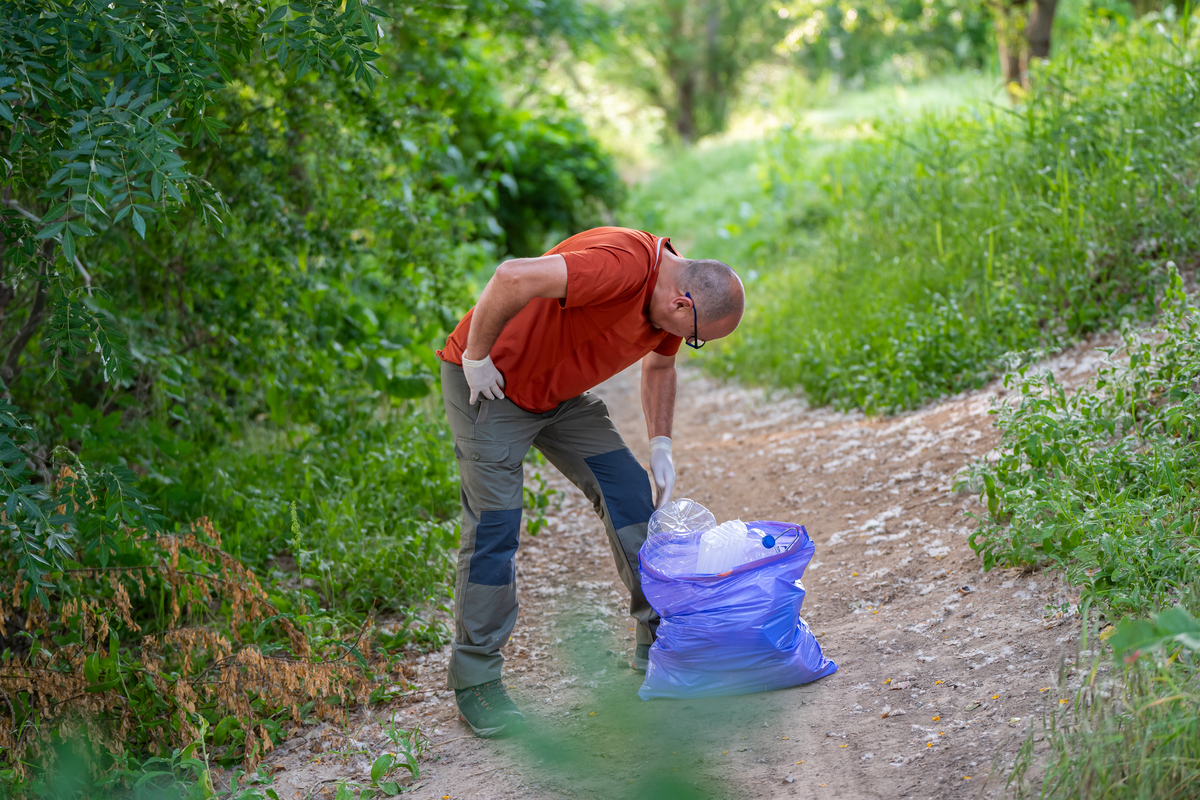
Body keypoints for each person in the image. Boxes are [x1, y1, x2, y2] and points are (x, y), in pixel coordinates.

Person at [436, 226, 744, 738]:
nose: (689, 342)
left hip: (558, 397)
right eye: (696, 337)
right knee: (495, 526)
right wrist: (475, 357)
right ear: (682, 303)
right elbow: (511, 277)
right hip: (488, 386)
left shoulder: (672, 295)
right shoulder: (621, 266)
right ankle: (476, 681)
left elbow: (660, 367)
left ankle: (660, 642)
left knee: (628, 492)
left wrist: (661, 445)